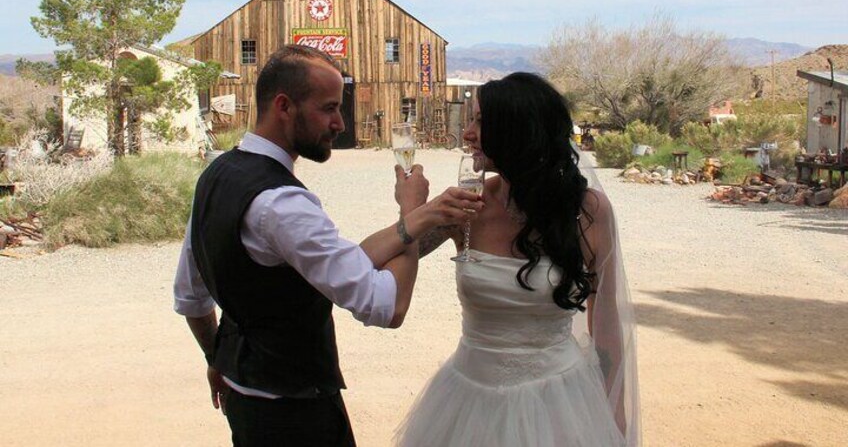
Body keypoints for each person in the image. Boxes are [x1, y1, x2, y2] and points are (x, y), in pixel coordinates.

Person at [173, 45, 482, 447]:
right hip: (296, 414)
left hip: (245, 400)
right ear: (284, 106)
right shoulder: (282, 204)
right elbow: (387, 305)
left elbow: (191, 295)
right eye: (329, 108)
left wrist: (217, 357)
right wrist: (412, 210)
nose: (340, 122)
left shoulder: (217, 173)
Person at [395, 72, 640, 446]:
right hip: (469, 404)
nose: (468, 133)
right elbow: (385, 263)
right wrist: (412, 209)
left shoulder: (587, 211)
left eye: (480, 121)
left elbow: (604, 318)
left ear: (518, 132)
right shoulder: (465, 205)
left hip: (559, 404)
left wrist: (614, 412)